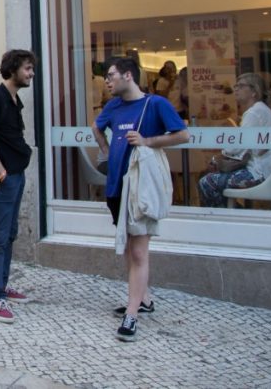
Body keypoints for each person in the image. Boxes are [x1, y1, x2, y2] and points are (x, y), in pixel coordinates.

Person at [92, 57, 188, 342]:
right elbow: (97, 128)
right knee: (127, 245)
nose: (107, 81)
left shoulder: (156, 104)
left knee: (138, 251)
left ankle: (132, 314)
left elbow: (183, 135)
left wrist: (148, 141)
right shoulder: (113, 106)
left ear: (128, 75)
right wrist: (107, 152)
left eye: (111, 75)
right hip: (116, 186)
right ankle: (143, 299)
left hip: (140, 187)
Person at [0, 49, 36, 323]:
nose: (31, 73)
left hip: (15, 174)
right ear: (13, 69)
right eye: (27, 68)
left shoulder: (13, 99)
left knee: (10, 232)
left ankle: (2, 283)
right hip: (2, 178)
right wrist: (1, 171)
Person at [198, 73, 271, 207]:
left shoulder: (254, 113)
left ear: (254, 92)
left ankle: (228, 219)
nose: (236, 89)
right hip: (270, 170)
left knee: (206, 182)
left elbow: (237, 146)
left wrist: (219, 155)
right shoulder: (261, 110)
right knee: (211, 178)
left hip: (259, 173)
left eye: (241, 86)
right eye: (236, 85)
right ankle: (234, 215)